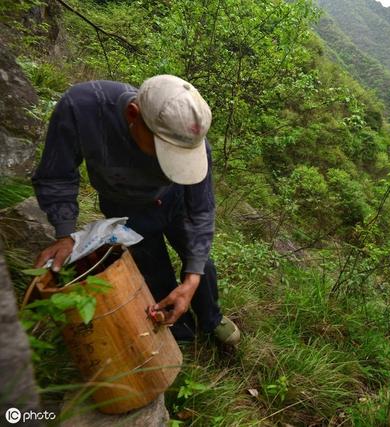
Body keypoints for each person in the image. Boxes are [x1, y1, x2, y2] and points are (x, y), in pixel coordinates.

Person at [31, 74, 240, 345]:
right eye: (166, 151)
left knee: (200, 264)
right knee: (151, 269)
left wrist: (190, 282)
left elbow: (201, 211)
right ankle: (178, 329)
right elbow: (57, 174)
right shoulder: (82, 108)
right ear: (134, 114)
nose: (171, 165)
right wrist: (64, 232)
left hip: (175, 203)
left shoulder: (192, 141)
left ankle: (211, 319)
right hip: (125, 208)